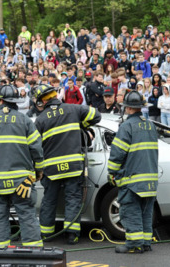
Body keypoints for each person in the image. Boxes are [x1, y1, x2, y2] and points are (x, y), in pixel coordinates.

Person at [0, 84, 44, 248]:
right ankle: (33, 254)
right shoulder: (25, 120)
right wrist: (39, 170)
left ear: (0, 100)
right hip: (22, 182)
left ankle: (0, 254)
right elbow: (36, 148)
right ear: (17, 101)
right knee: (27, 215)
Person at [34, 84, 101, 245]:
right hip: (73, 167)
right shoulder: (74, 109)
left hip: (51, 170)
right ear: (56, 95)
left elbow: (34, 145)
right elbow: (96, 116)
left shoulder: (40, 119)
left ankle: (46, 234)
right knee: (73, 199)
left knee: (49, 200)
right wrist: (82, 125)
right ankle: (72, 235)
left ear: (42, 101)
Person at [107, 90, 158, 254]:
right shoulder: (150, 125)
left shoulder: (127, 126)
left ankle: (134, 244)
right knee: (146, 212)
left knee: (130, 211)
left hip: (133, 179)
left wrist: (112, 172)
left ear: (128, 108)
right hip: (150, 179)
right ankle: (145, 242)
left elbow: (118, 153)